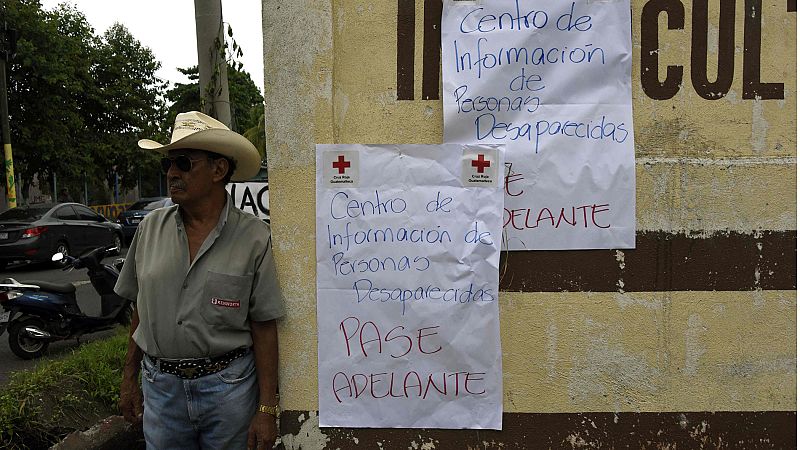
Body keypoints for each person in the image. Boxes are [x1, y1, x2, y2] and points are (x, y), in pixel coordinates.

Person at [115, 111, 284, 449]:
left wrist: (266, 408)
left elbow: (263, 325)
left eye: (183, 163)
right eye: (168, 165)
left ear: (218, 170)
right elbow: (140, 309)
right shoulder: (150, 229)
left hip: (230, 391)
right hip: (161, 392)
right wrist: (129, 378)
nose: (171, 173)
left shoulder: (253, 238)